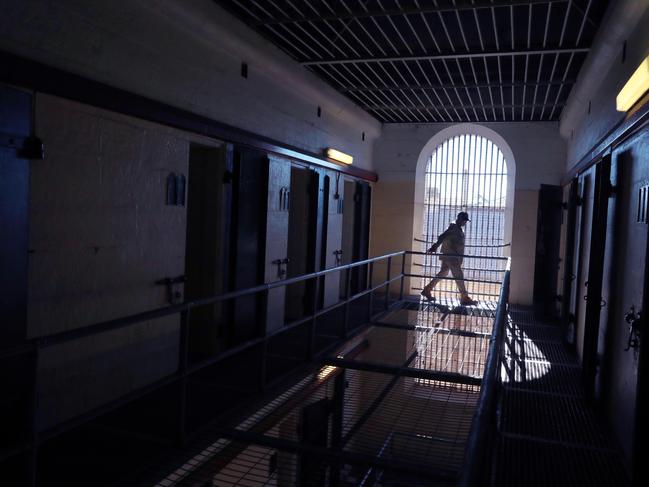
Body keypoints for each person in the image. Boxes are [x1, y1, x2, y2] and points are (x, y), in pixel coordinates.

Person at [421, 211, 478, 306]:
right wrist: (434, 246)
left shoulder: (458, 228)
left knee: (443, 273)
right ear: (459, 219)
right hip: (451, 256)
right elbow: (442, 236)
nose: (465, 223)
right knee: (459, 275)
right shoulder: (454, 227)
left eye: (466, 221)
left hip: (450, 255)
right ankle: (464, 297)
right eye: (464, 220)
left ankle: (427, 290)